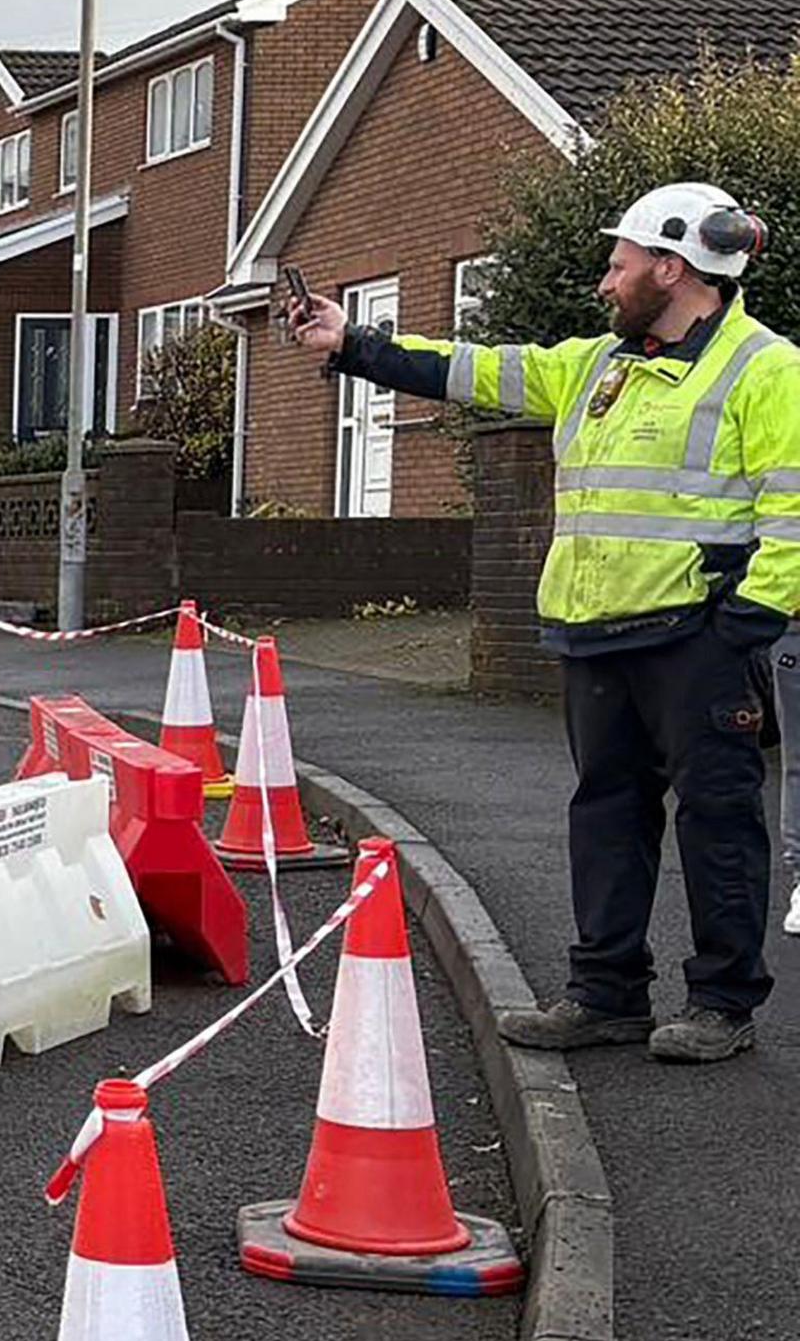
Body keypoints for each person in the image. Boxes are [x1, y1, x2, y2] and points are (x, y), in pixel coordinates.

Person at [291, 179, 800, 1063]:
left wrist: (747, 623)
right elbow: (477, 369)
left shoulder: (767, 369)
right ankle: (606, 994)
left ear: (673, 269)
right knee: (607, 815)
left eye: (621, 263)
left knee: (719, 820)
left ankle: (721, 1004)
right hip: (598, 633)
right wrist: (353, 344)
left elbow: (792, 509)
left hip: (699, 639)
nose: (607, 281)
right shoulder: (596, 365)